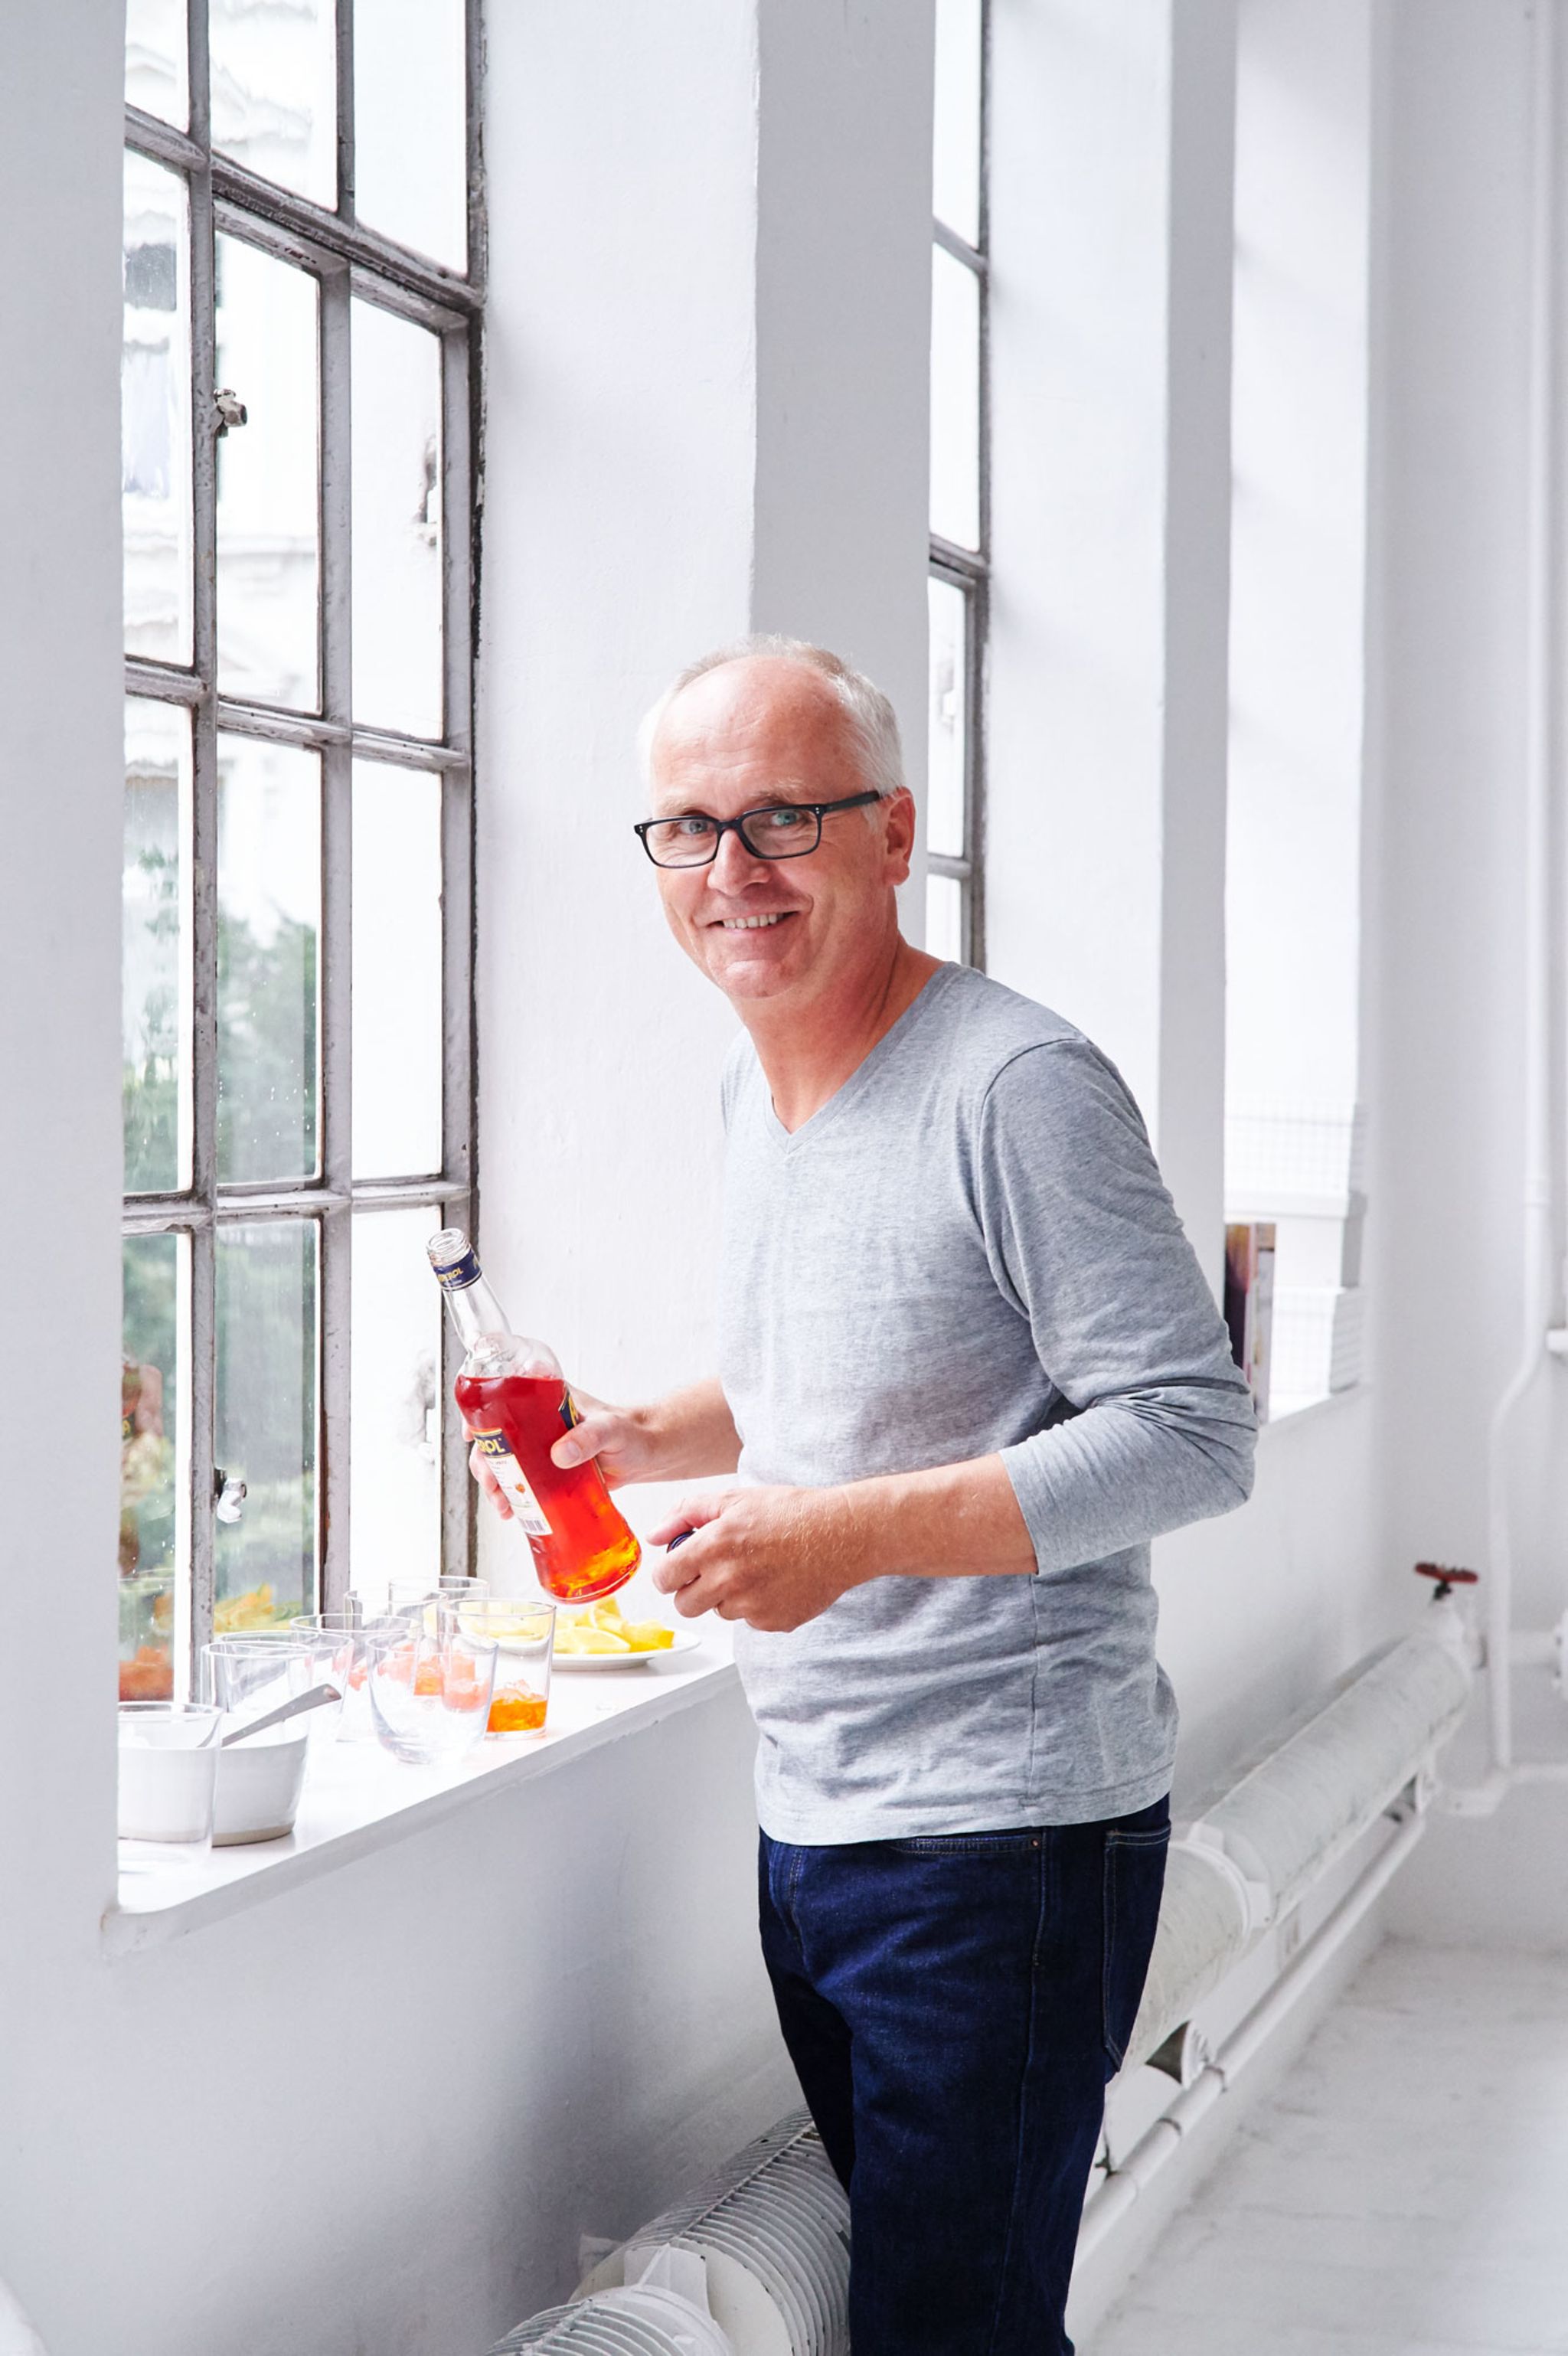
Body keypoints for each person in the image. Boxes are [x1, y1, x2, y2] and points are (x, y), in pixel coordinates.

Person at [474, 637, 1256, 2355]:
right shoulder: (759, 1084)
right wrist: (645, 1435)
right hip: (818, 1814)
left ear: (893, 832)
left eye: (785, 817)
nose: (732, 870)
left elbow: (1194, 1430)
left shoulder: (1015, 1088)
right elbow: (859, 1362)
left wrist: (834, 1539)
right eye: (689, 828)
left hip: (1005, 1839)